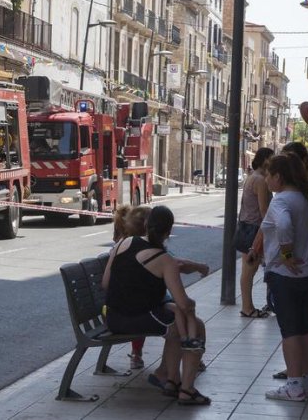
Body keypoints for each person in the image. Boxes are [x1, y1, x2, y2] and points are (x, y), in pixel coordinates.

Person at [103, 206, 210, 405]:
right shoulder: (164, 259)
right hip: (135, 318)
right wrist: (188, 304)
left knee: (178, 323)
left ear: (146, 225)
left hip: (113, 316)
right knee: (192, 326)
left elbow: (105, 283)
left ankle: (170, 379)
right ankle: (185, 389)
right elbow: (184, 303)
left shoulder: (123, 243)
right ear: (168, 232)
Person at [261, 153, 308, 402]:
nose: (266, 179)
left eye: (268, 175)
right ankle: (307, 381)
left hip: (286, 274)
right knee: (306, 327)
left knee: (290, 331)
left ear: (279, 176)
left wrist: (286, 253)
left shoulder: (280, 201)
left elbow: (284, 224)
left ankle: (294, 385)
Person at [236, 147, 274, 318]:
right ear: (265, 160)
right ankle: (247, 307)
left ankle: (248, 306)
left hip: (246, 226)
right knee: (249, 270)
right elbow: (264, 210)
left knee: (248, 270)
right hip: (254, 229)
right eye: (272, 158)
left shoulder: (252, 177)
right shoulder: (260, 180)